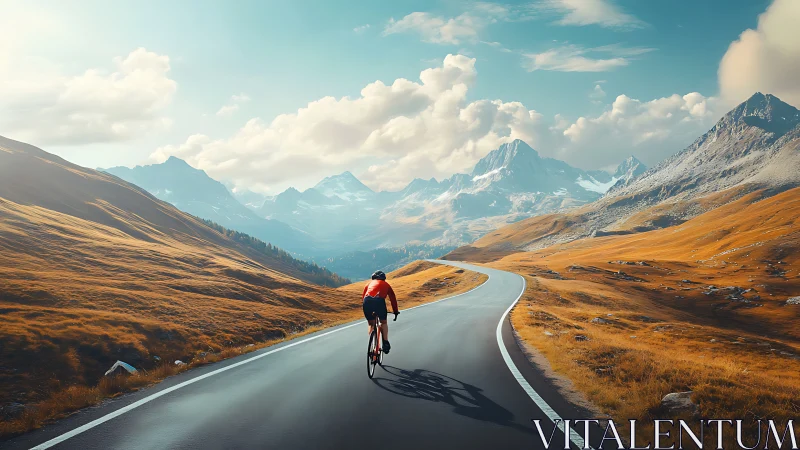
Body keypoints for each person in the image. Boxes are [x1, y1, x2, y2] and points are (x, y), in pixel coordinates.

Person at [362, 270, 399, 353]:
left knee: (371, 323)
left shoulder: (368, 284)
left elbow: (363, 298)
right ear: (383, 279)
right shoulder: (386, 284)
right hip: (379, 301)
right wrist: (395, 311)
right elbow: (393, 299)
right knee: (383, 322)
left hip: (367, 301)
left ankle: (372, 341)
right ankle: (385, 342)